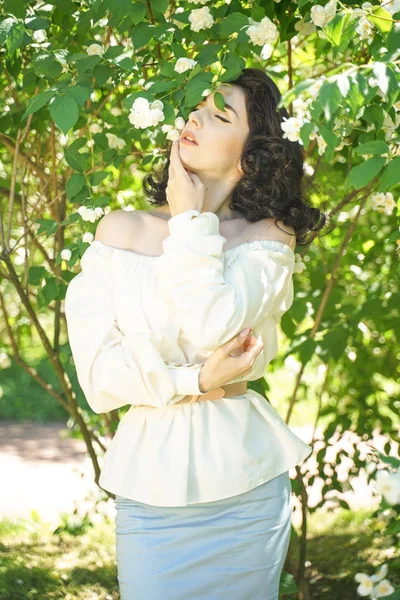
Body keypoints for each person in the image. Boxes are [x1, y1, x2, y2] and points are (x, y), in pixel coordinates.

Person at [64, 68, 328, 599]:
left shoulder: (268, 237)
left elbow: (216, 321)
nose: (195, 117)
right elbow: (100, 379)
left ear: (249, 156)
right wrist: (196, 377)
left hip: (247, 488)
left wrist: (190, 222)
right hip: (152, 488)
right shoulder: (121, 231)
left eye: (219, 113)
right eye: (198, 107)